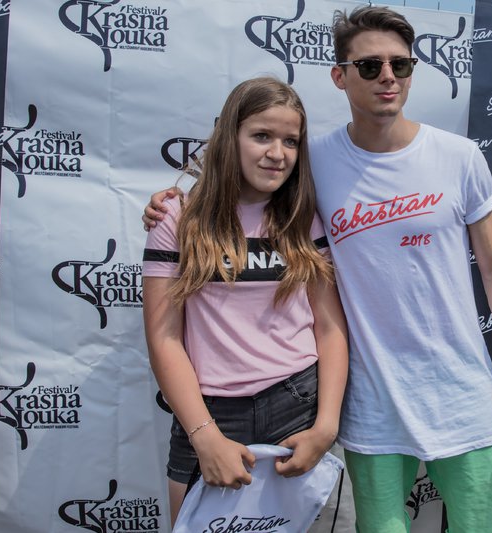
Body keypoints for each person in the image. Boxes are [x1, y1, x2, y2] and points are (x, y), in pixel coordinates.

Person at [144, 7, 492, 532]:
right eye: (370, 65)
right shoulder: (313, 164)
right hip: (371, 407)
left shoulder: (460, 157)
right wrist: (172, 202)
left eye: (401, 65)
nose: (388, 76)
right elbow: (238, 184)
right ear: (340, 76)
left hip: (460, 401)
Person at [142, 77, 348, 525]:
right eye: (261, 136)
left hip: (299, 405)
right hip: (209, 414)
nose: (278, 153)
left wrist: (326, 426)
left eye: (290, 141)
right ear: (229, 136)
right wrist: (204, 436)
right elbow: (164, 338)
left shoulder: (302, 219)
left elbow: (330, 328)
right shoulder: (176, 218)